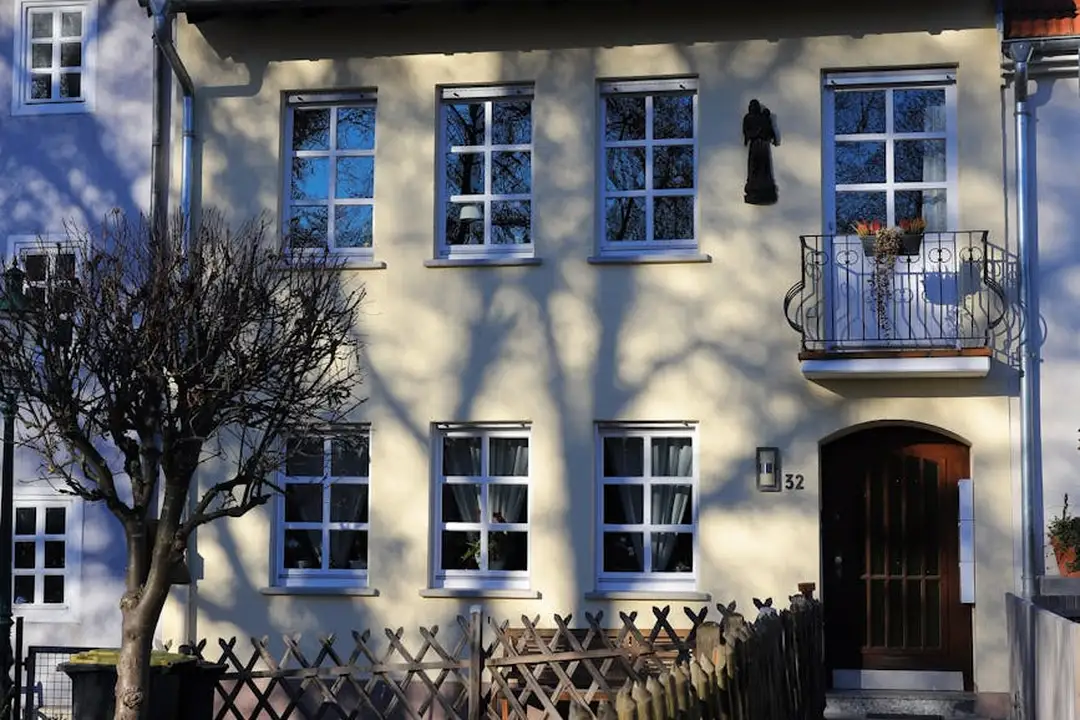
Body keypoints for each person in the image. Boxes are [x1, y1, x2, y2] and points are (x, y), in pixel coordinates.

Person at [743, 99, 779, 205]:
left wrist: (773, 138)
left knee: (764, 167)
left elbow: (770, 130)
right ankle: (754, 187)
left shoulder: (763, 118)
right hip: (755, 145)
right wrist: (752, 135)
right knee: (754, 167)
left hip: (762, 145)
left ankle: (765, 187)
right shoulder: (748, 118)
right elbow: (746, 131)